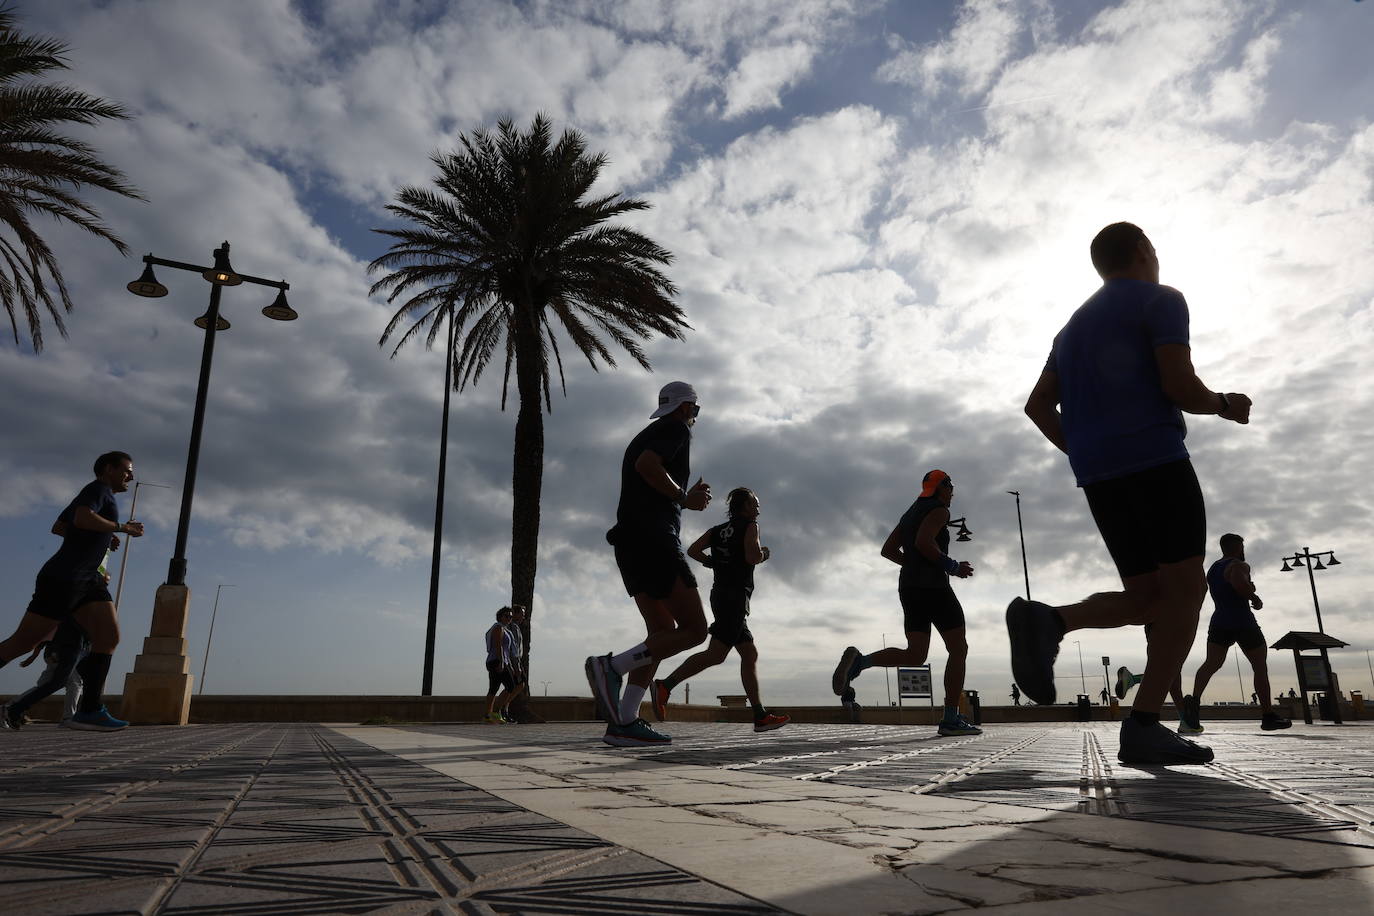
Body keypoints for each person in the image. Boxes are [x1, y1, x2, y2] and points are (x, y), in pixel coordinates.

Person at [1012, 222, 1253, 765]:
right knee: (1187, 594)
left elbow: (1036, 407)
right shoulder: (1161, 300)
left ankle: (1050, 621)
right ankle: (1143, 724)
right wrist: (1224, 403)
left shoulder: (1069, 329)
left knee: (1149, 599)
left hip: (1100, 477)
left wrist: (1083, 451)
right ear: (1146, 252)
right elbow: (1179, 387)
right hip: (1157, 462)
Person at [586, 381, 712, 747]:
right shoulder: (674, 429)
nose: (695, 418)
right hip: (654, 539)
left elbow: (644, 466)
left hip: (630, 542)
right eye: (696, 411)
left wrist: (683, 498)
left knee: (660, 632)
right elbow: (647, 465)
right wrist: (683, 498)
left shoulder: (650, 431)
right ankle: (611, 666)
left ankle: (624, 721)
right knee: (694, 630)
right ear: (687, 408)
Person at [0, 452, 143, 731]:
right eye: (126, 470)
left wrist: (101, 535)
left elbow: (60, 527)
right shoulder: (97, 489)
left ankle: (90, 709)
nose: (131, 476)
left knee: (108, 637)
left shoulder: (99, 494)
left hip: (89, 580)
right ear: (108, 469)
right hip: (65, 578)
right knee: (23, 643)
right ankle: (87, 709)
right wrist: (120, 527)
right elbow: (81, 518)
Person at [834, 469, 981, 737]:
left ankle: (860, 663)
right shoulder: (939, 511)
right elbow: (924, 542)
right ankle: (950, 718)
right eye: (950, 487)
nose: (953, 493)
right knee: (958, 649)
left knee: (915, 654)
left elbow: (888, 550)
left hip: (909, 588)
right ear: (941, 488)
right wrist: (952, 566)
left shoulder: (911, 511)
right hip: (935, 588)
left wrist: (914, 566)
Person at [651, 487, 790, 733]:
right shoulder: (751, 526)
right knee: (716, 654)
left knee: (749, 654)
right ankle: (665, 685)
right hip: (735, 597)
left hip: (721, 594)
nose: (758, 508)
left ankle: (760, 715)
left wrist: (713, 562)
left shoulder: (717, 531)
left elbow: (693, 549)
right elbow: (751, 557)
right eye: (754, 504)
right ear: (744, 507)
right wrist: (764, 554)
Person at [1182, 533, 1291, 732]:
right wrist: (1254, 596)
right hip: (1242, 620)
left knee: (1211, 663)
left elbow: (1222, 587)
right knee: (1259, 666)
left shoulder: (1213, 568)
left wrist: (1246, 587)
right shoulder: (1239, 565)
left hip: (1219, 620)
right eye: (1242, 546)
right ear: (1239, 547)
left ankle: (1194, 702)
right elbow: (1238, 583)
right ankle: (1268, 716)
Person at [483, 608, 517, 724]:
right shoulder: (498, 627)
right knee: (510, 686)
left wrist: (510, 665)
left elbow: (507, 649)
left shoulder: (505, 629)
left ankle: (489, 715)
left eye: (510, 617)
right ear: (500, 616)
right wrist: (502, 662)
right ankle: (495, 712)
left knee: (495, 687)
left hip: (500, 660)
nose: (508, 618)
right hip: (497, 660)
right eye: (506, 616)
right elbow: (499, 646)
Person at [503, 605, 531, 723]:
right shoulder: (511, 627)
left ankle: (504, 708)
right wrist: (516, 666)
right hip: (512, 662)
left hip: (515, 662)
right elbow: (512, 649)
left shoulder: (516, 627)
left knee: (517, 685)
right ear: (514, 614)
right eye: (522, 614)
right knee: (512, 686)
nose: (523, 616)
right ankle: (501, 709)